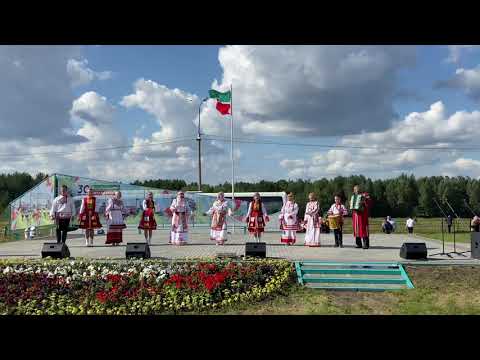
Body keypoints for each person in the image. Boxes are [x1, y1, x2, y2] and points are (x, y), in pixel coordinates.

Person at [349, 185, 372, 249]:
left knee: (363, 229)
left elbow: (369, 202)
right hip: (355, 215)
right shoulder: (353, 197)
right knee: (356, 229)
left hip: (362, 215)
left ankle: (366, 244)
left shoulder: (365, 194)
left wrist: (365, 199)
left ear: (360, 189)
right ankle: (358, 244)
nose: (356, 190)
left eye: (357, 189)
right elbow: (352, 205)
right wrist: (350, 203)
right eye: (355, 189)